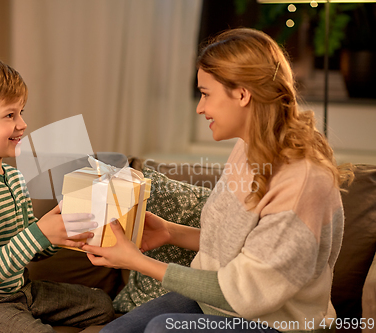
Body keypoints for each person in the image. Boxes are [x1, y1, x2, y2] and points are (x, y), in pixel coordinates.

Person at [83, 28, 353, 333]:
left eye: (206, 93)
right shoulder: (249, 147)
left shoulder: (303, 181)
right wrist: (170, 232)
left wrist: (137, 261)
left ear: (241, 93)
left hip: (278, 324)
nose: (200, 107)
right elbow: (237, 249)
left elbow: (248, 293)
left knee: (162, 330)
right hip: (218, 307)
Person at [0, 58, 115, 333]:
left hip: (19, 291)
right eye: (10, 115)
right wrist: (39, 233)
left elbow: (30, 248)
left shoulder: (14, 177)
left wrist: (65, 232)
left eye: (21, 112)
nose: (23, 123)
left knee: (101, 304)